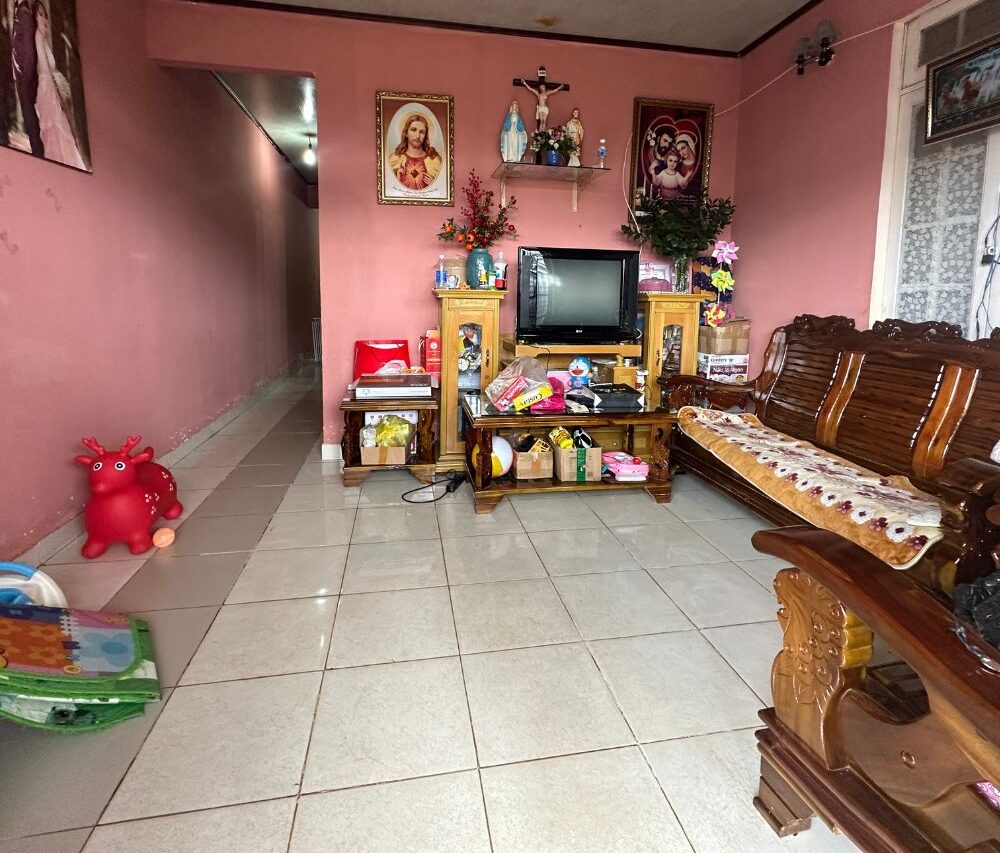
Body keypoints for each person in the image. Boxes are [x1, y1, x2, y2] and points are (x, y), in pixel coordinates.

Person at [32, 1, 85, 169]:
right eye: (40, 15)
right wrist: (57, 93)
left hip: (50, 86)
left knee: (61, 130)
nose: (44, 19)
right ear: (35, 18)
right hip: (48, 90)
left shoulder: (42, 39)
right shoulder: (38, 37)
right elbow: (45, 70)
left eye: (45, 15)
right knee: (56, 130)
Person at [11, 0, 43, 156]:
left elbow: (30, 50)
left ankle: (38, 154)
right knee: (30, 120)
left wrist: (26, 76)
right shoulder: (20, 11)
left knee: (31, 121)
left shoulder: (24, 13)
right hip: (21, 77)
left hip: (25, 77)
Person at [388, 113, 442, 191]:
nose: (417, 136)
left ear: (425, 136)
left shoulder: (434, 161)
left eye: (422, 132)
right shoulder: (395, 159)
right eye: (413, 130)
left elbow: (441, 190)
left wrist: (434, 184)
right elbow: (390, 189)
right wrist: (397, 181)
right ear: (406, 133)